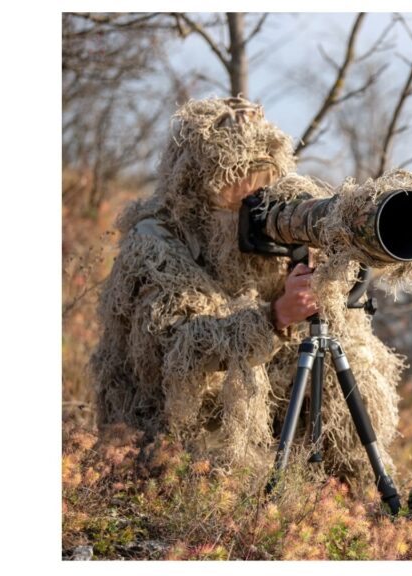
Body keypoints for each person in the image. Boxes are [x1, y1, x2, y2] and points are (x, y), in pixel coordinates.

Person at [92, 97, 356, 474]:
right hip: (166, 428)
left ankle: (344, 494)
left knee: (349, 358)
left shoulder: (266, 229)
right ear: (194, 185)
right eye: (231, 180)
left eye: (260, 176)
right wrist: (276, 316)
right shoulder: (154, 240)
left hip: (250, 414)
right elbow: (179, 349)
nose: (248, 192)